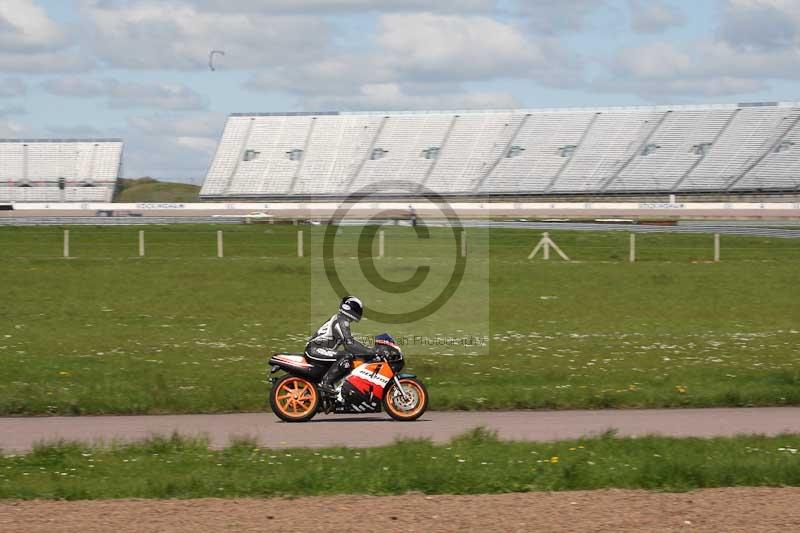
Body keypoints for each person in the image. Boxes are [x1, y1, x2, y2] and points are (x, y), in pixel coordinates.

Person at [306, 296, 376, 397]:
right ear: (350, 308)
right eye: (357, 309)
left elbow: (349, 342)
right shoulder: (341, 321)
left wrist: (366, 350)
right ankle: (326, 383)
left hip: (318, 350)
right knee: (346, 356)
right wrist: (370, 352)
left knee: (348, 357)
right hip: (315, 350)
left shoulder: (341, 319)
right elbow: (349, 344)